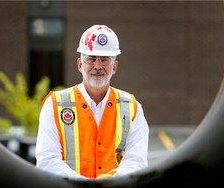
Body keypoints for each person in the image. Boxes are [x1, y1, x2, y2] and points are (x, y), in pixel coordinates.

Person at [35, 24, 149, 179]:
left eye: (104, 60)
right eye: (91, 59)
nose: (97, 66)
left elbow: (137, 162)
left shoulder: (132, 107)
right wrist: (86, 187)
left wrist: (106, 185)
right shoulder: (54, 105)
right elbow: (47, 161)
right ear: (80, 64)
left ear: (114, 66)